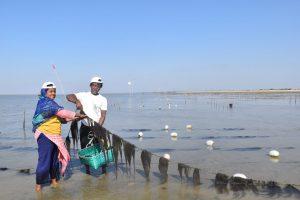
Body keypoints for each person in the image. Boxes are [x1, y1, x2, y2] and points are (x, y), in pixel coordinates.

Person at [32, 81, 86, 192]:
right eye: (50, 91)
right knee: (44, 161)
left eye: (54, 91)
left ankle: (53, 180)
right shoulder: (44, 103)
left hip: (55, 136)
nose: (53, 93)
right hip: (45, 135)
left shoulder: (53, 104)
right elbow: (62, 113)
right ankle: (38, 184)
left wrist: (77, 118)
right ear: (44, 92)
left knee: (54, 160)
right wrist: (76, 114)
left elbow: (63, 119)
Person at [66, 76, 108, 175]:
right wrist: (77, 101)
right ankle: (88, 171)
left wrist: (98, 128)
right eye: (93, 85)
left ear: (100, 87)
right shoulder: (83, 95)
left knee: (101, 149)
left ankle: (104, 171)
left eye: (98, 85)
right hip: (85, 127)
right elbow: (69, 96)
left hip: (97, 126)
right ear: (90, 85)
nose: (95, 87)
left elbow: (103, 115)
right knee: (85, 149)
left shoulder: (103, 99)